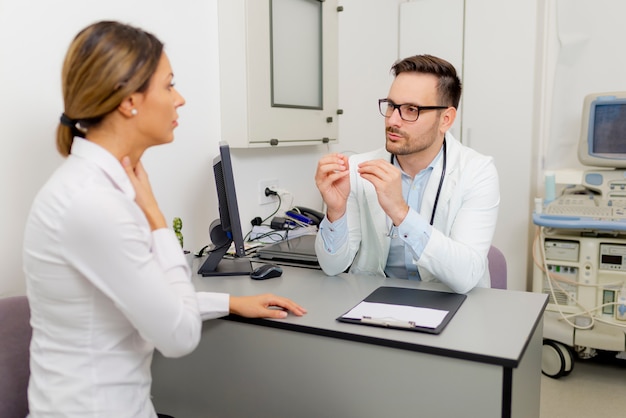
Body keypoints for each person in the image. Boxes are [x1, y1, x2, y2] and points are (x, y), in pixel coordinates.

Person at [22, 21, 306, 418]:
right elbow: (178, 334)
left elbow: (149, 295)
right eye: (169, 85)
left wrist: (230, 302)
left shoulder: (98, 186)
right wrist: (156, 219)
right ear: (128, 101)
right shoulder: (92, 203)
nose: (181, 99)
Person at [314, 54, 499, 294]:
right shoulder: (359, 169)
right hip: (374, 305)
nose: (392, 120)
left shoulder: (477, 172)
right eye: (391, 105)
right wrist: (335, 213)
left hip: (451, 304)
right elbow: (331, 267)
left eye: (411, 110)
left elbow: (466, 276)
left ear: (446, 119)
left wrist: (401, 212)